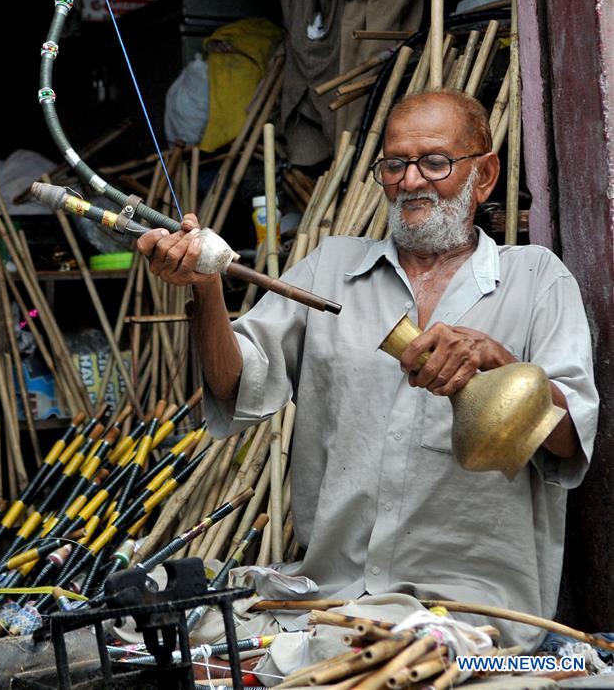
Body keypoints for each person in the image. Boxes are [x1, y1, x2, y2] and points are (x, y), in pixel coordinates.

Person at [136, 90, 598, 650]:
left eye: (435, 162)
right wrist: (206, 287)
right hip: (332, 601)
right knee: (165, 618)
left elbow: (571, 442)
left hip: (473, 615)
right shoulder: (331, 270)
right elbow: (234, 386)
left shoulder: (536, 279)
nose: (411, 181)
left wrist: (499, 363)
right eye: (395, 164)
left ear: (484, 175)